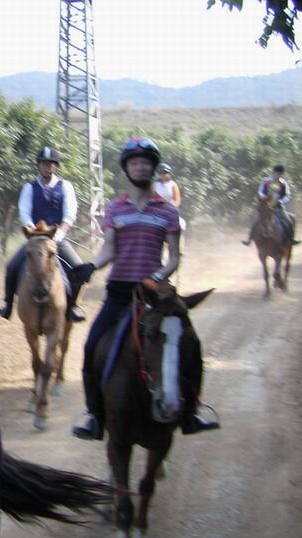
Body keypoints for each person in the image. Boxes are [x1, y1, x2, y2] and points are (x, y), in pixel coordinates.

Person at [70, 137, 220, 441]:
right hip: (119, 293)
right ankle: (95, 416)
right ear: (127, 169)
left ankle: (191, 413)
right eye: (135, 163)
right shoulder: (115, 208)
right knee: (91, 346)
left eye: (145, 163)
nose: (140, 167)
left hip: (156, 297)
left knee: (191, 347)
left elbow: (174, 257)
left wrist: (155, 277)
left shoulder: (168, 212)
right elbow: (109, 249)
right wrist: (91, 266)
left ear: (153, 168)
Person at [0, 146, 88, 322]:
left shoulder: (65, 186)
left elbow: (69, 214)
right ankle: (7, 304)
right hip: (35, 239)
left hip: (57, 238)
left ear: (55, 166)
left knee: (78, 268)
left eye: (50, 164)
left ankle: (71, 307)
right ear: (39, 165)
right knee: (11, 267)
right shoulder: (29, 188)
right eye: (43, 164)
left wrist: (59, 234)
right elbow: (25, 213)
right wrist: (33, 233)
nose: (46, 167)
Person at [242, 164, 301, 246]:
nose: (277, 175)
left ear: (281, 174)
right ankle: (249, 239)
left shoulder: (283, 183)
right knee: (256, 222)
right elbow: (260, 191)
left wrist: (280, 201)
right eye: (276, 173)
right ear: (273, 172)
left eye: (279, 174)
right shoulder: (266, 181)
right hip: (266, 206)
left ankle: (291, 239)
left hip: (278, 208)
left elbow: (287, 195)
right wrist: (264, 197)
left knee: (289, 222)